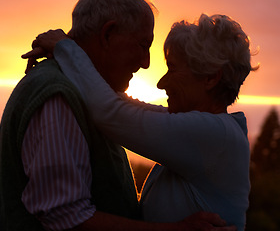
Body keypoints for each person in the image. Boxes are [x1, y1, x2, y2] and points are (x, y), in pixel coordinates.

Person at [23, 13, 257, 230]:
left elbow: (110, 112)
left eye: (172, 69)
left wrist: (67, 48)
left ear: (210, 78)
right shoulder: (208, 129)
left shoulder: (214, 135)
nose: (161, 83)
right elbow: (120, 104)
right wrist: (71, 56)